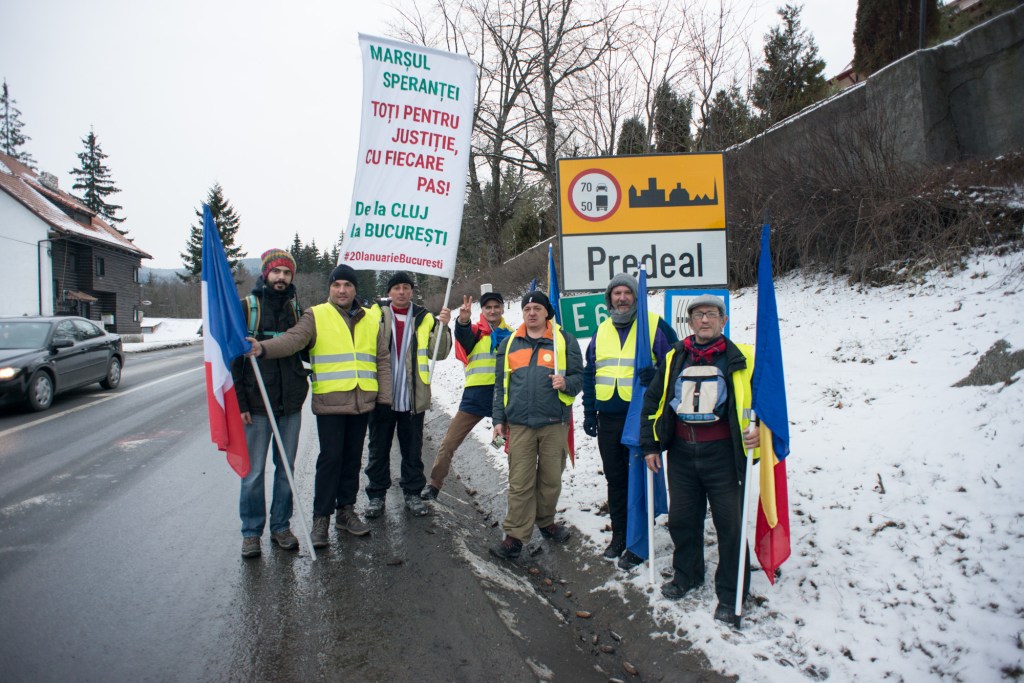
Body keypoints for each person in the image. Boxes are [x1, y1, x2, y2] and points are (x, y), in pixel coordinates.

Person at [247, 263, 391, 549]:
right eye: (336, 285)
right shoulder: (316, 315)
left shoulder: (371, 320)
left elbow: (382, 360)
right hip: (331, 402)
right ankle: (321, 519)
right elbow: (292, 340)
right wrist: (263, 348)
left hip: (363, 402)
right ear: (330, 289)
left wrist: (384, 398)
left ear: (354, 289)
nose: (342, 290)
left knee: (352, 460)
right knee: (330, 461)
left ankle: (346, 512)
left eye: (347, 285)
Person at [639, 294, 759, 623]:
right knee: (682, 520)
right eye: (698, 315)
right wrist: (650, 445)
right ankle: (688, 574)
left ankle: (732, 594)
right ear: (689, 322)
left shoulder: (742, 357)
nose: (704, 320)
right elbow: (653, 402)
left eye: (711, 314)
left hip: (723, 455)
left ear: (724, 320)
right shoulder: (676, 356)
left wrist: (761, 431)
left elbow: (764, 401)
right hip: (681, 453)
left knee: (730, 526)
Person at [581, 273, 676, 569]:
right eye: (616, 293)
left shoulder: (654, 326)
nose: (621, 298)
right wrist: (588, 411)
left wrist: (657, 376)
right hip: (608, 418)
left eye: (627, 293)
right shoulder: (602, 329)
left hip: (641, 418)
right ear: (609, 299)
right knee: (616, 479)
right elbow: (590, 371)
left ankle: (640, 540)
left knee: (640, 480)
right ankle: (620, 535)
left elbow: (677, 363)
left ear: (636, 296)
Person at [490, 291, 583, 560]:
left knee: (550, 479)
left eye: (537, 308)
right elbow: (500, 386)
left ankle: (546, 522)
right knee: (520, 483)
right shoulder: (509, 344)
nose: (532, 312)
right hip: (519, 425)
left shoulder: (563, 342)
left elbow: (580, 376)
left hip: (555, 423)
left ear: (546, 313)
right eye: (527, 308)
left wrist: (567, 383)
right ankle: (515, 536)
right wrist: (498, 420)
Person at [233, 249, 310, 558]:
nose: (281, 278)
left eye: (286, 273)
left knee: (286, 470)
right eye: (276, 272)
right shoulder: (247, 308)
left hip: (289, 403)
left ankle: (281, 526)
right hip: (256, 404)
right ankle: (251, 531)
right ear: (265, 274)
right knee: (252, 473)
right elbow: (234, 360)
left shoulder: (296, 309)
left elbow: (304, 348)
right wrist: (240, 403)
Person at [364, 272, 452, 518]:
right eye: (396, 288)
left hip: (412, 396)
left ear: (412, 291)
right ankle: (376, 495)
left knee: (412, 449)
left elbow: (441, 352)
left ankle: (413, 493)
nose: (401, 292)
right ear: (389, 292)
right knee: (378, 449)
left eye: (406, 287)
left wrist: (444, 326)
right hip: (382, 396)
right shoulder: (375, 315)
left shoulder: (425, 318)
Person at [421, 291, 511, 501]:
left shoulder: (513, 334)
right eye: (488, 307)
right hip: (475, 397)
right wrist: (462, 319)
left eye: (496, 306)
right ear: (483, 310)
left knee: (514, 446)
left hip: (503, 397)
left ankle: (519, 489)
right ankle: (434, 485)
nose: (492, 310)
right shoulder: (475, 332)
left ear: (502, 309)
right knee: (450, 442)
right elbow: (462, 333)